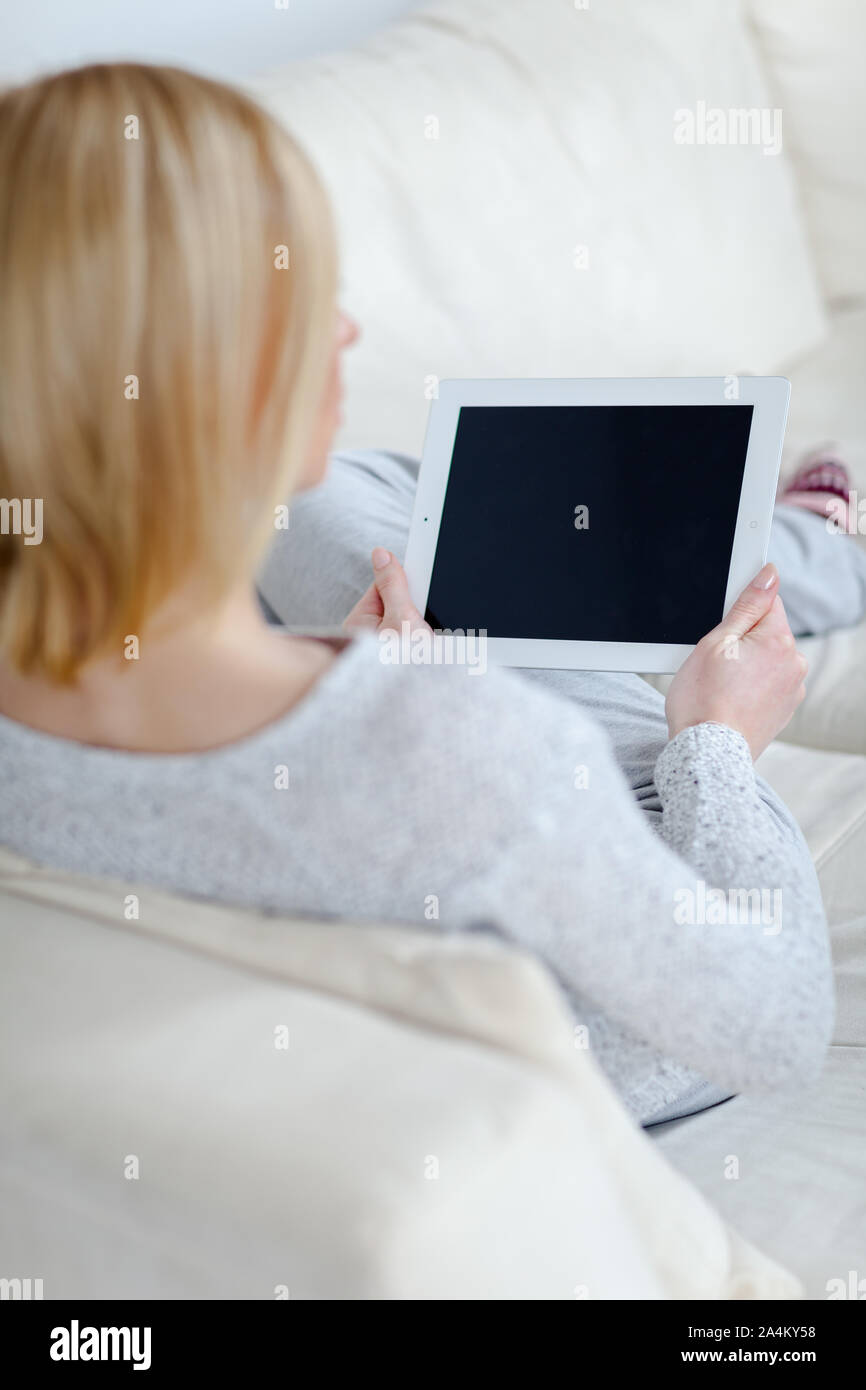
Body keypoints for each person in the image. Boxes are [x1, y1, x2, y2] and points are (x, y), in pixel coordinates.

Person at [1, 64, 863, 1128]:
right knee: (399, 529)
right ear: (208, 366)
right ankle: (816, 544)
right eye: (308, 299)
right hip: (630, 1039)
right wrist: (718, 743)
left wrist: (348, 662)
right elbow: (772, 1023)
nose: (348, 334)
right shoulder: (470, 750)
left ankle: (787, 538)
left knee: (356, 512)